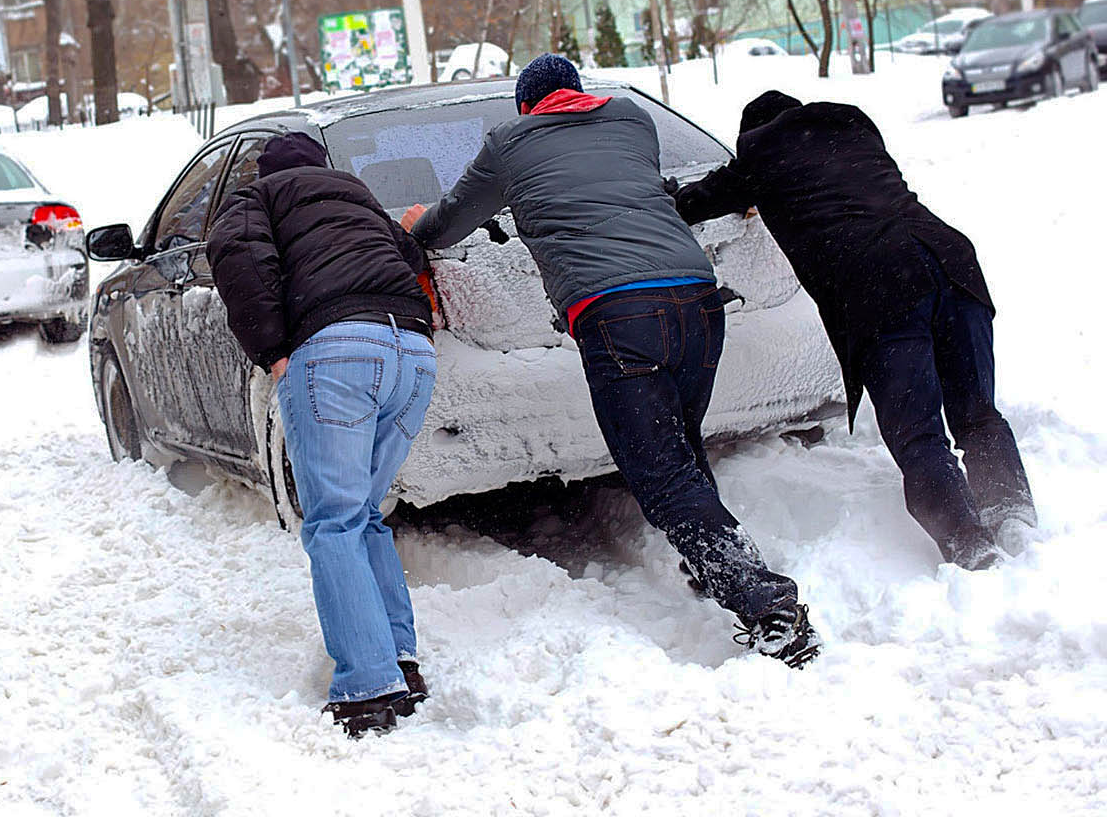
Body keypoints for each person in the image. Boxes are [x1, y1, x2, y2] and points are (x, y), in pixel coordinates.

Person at [403, 54, 821, 668]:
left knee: (659, 475)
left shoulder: (509, 143)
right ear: (579, 94)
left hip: (618, 315)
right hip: (698, 302)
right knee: (679, 446)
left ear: (527, 106)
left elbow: (448, 226)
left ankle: (766, 604)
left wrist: (418, 224)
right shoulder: (632, 121)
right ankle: (714, 564)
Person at [673, 91, 1034, 568]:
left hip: (882, 283)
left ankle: (969, 544)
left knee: (918, 431)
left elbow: (695, 202)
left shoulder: (760, 156)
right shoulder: (853, 125)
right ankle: (1010, 512)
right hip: (950, 260)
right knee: (977, 410)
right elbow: (838, 180)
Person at [206, 131, 437, 737]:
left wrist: (273, 350)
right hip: (413, 351)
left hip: (337, 352)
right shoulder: (358, 196)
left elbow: (237, 259)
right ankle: (399, 661)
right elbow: (410, 258)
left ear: (266, 170)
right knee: (364, 513)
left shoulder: (256, 199)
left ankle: (367, 686)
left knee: (333, 520)